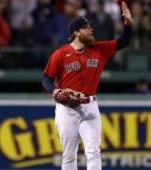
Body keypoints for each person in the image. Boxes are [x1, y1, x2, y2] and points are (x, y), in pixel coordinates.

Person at [41, 1, 133, 169]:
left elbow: (124, 41)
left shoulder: (99, 49)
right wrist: (55, 92)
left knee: (94, 152)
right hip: (67, 109)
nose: (91, 29)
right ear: (76, 32)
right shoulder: (60, 54)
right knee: (69, 156)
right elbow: (46, 79)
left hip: (90, 106)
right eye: (87, 27)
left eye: (91, 27)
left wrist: (128, 25)